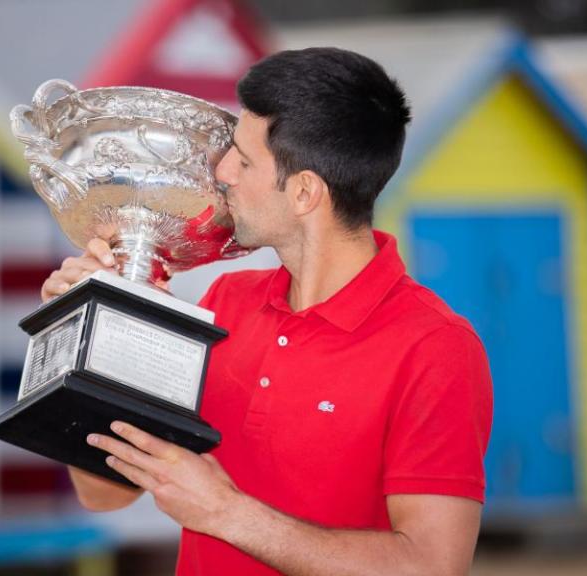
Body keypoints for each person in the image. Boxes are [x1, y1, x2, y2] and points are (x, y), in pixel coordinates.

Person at [41, 47, 493, 576]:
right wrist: (97, 321)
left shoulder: (435, 347)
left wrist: (226, 513)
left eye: (244, 158)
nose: (223, 172)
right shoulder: (226, 302)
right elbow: (103, 492)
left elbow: (431, 566)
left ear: (304, 192)